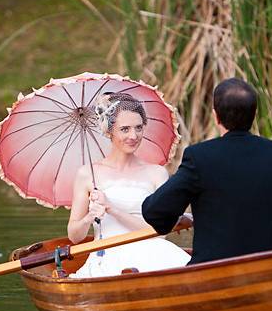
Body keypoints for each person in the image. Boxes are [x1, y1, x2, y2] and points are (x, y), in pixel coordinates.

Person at [142, 77, 272, 265]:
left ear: (216, 116)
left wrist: (170, 220)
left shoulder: (199, 158)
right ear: (254, 114)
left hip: (213, 271)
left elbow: (155, 213)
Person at [67, 92, 191, 278]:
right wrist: (90, 216)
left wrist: (111, 208)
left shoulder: (156, 173)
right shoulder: (87, 174)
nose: (133, 135)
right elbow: (74, 237)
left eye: (138, 128)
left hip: (155, 253)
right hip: (107, 255)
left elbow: (160, 233)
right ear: (109, 131)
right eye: (125, 129)